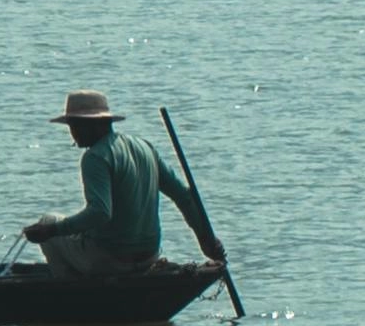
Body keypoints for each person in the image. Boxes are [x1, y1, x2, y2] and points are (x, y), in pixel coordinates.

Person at [24, 89, 225, 279]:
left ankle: (75, 293)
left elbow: (100, 212)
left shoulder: (95, 157)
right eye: (71, 126)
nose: (73, 133)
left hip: (109, 260)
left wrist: (51, 231)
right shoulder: (145, 147)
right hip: (148, 257)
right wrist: (206, 241)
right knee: (69, 229)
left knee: (48, 221)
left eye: (78, 125)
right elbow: (183, 196)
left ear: (100, 124)